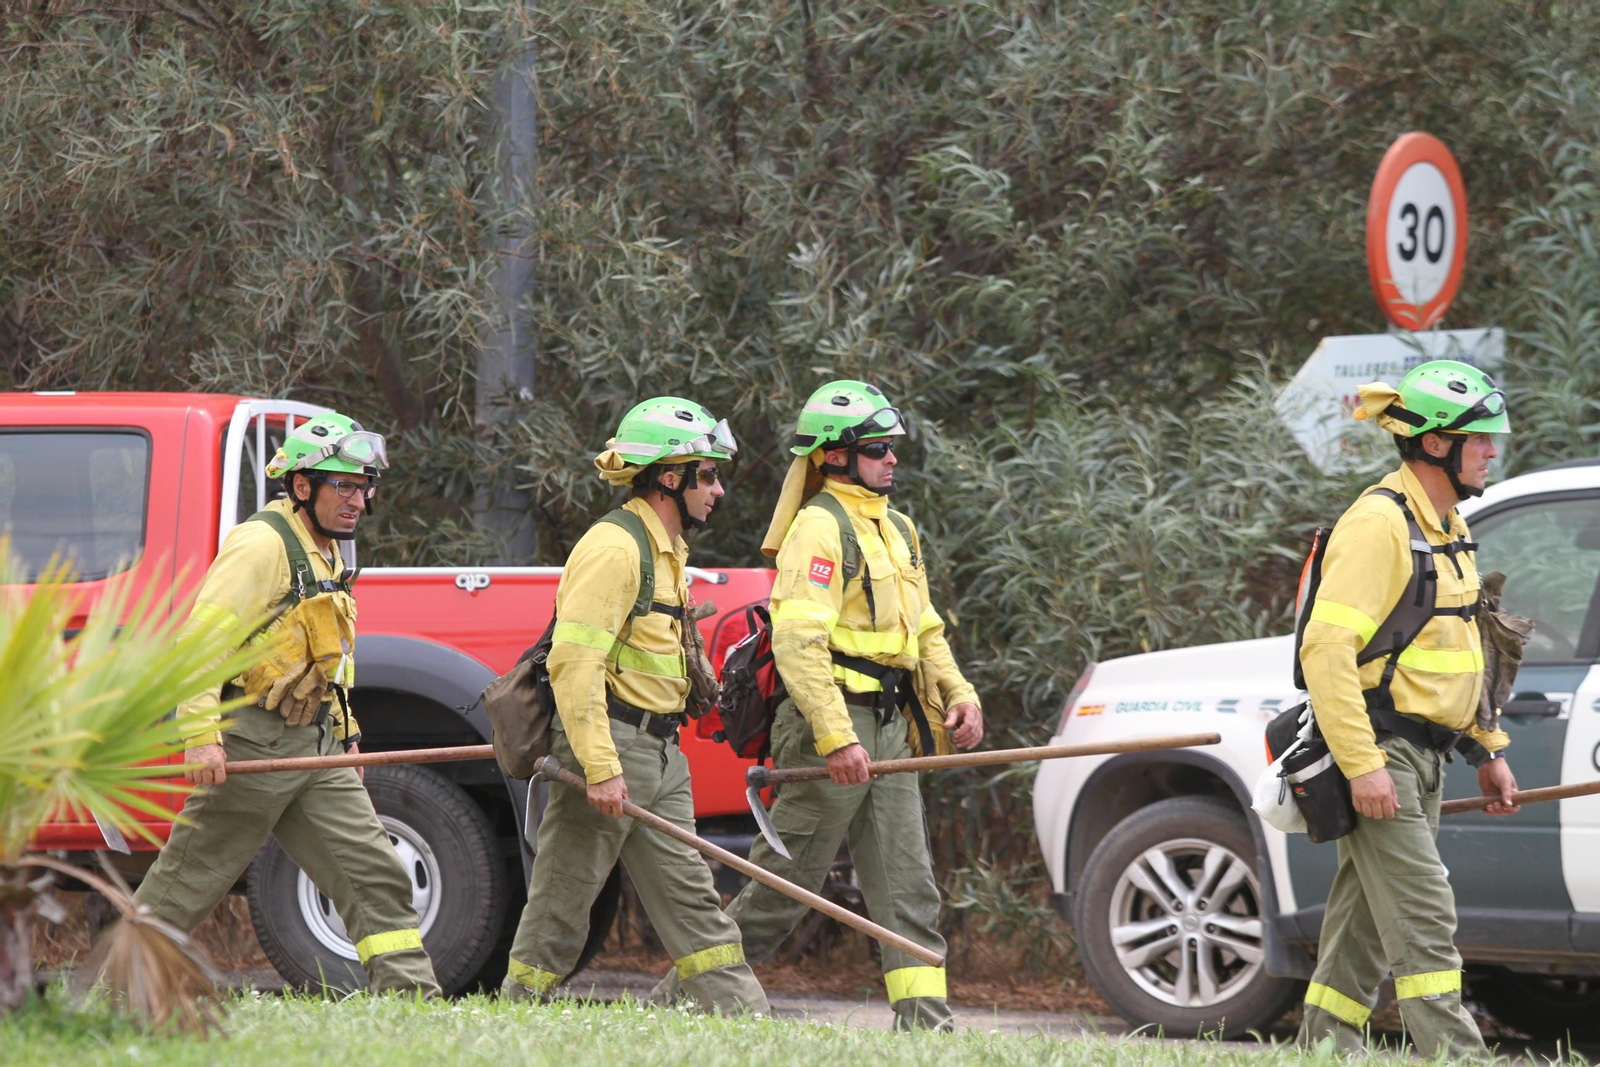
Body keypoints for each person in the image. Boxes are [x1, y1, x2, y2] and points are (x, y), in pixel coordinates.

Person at [651, 379, 983, 1030]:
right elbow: (800, 645)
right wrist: (836, 736)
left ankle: (927, 1030)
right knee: (783, 889)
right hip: (831, 724)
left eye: (892, 447)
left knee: (908, 888)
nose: (893, 458)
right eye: (878, 447)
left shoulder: (898, 529)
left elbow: (926, 631)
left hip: (887, 726)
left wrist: (960, 693)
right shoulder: (818, 530)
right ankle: (679, 1006)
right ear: (834, 455)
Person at [133, 413, 440, 995]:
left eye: (364, 485)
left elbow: (329, 656)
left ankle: (410, 998)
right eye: (342, 485)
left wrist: (345, 732)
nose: (357, 498)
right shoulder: (261, 546)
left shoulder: (326, 551)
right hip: (251, 741)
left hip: (314, 748)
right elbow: (199, 644)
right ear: (302, 486)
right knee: (187, 883)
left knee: (374, 871)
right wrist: (200, 734)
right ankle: (113, 990)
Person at [499, 397, 768, 1014]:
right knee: (564, 901)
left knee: (692, 899)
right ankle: (515, 1013)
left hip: (660, 754)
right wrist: (601, 767)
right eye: (708, 475)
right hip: (614, 749)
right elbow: (574, 664)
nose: (718, 490)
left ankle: (745, 1018)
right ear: (669, 477)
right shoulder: (615, 549)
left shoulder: (666, 548)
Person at [1297, 360, 1520, 1058]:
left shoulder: (1447, 524)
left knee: (1363, 922)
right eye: (1480, 438)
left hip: (1428, 756)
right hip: (1382, 750)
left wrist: (1488, 748)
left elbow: (1462, 646)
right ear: (1434, 444)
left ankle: (1325, 1046)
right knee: (1426, 918)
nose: (1491, 450)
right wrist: (1363, 766)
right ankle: (1458, 1054)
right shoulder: (1378, 525)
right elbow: (1326, 651)